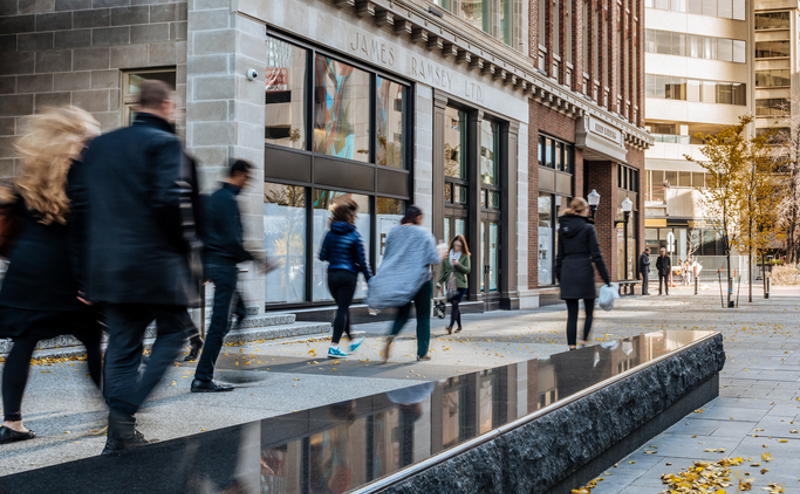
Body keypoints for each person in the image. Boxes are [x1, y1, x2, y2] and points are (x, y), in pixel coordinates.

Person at [81, 80, 202, 455]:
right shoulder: (165, 144)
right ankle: (124, 412)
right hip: (155, 266)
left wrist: (86, 268)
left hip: (107, 268)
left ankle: (120, 435)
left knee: (122, 346)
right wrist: (188, 247)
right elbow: (170, 201)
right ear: (166, 106)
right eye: (175, 107)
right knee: (173, 334)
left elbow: (82, 209)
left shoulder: (99, 146)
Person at [0, 107, 102, 445]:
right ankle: (113, 411)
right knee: (91, 339)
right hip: (64, 276)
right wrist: (88, 283)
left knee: (23, 344)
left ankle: (11, 423)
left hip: (26, 272)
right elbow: (82, 236)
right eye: (88, 137)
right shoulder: (81, 175)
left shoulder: (32, 174)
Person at [192, 159, 261, 392]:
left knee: (240, 311)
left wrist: (204, 266)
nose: (248, 183)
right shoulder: (228, 200)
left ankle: (236, 363)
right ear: (239, 174)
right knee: (219, 324)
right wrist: (256, 258)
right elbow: (232, 239)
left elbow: (200, 234)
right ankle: (202, 377)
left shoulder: (211, 198)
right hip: (224, 267)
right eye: (247, 178)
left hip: (216, 265)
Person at [366, 206, 445, 362]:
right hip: (421, 280)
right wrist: (442, 254)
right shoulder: (424, 233)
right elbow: (433, 259)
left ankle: (391, 335)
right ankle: (422, 352)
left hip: (402, 282)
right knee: (423, 317)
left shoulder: (393, 232)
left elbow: (388, 256)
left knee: (402, 313)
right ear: (418, 217)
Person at [554, 197, 611, 351]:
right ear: (583, 211)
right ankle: (584, 341)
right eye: (586, 210)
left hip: (568, 271)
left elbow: (559, 256)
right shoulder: (587, 228)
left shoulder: (563, 229)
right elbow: (596, 255)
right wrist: (606, 278)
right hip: (584, 271)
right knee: (589, 312)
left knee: (572, 314)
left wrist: (560, 278)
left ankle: (571, 346)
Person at [319, 199, 372, 359]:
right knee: (342, 309)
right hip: (348, 276)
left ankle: (351, 340)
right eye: (354, 215)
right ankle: (334, 346)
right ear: (349, 216)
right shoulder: (355, 235)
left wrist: (335, 256)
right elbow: (362, 261)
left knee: (343, 308)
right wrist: (370, 280)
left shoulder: (329, 233)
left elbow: (322, 256)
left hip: (332, 276)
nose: (356, 217)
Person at [436, 234, 471, 334]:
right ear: (452, 244)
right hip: (450, 284)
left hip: (461, 284)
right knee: (455, 305)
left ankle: (450, 326)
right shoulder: (447, 255)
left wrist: (458, 264)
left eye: (459, 246)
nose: (457, 247)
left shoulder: (465, 256)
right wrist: (439, 282)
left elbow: (467, 270)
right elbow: (443, 271)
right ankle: (459, 326)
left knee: (455, 303)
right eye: (455, 245)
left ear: (462, 246)